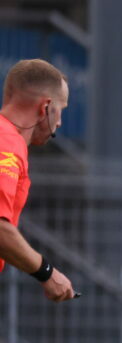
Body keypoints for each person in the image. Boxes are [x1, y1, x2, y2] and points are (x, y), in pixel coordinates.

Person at [0, 59, 75, 301]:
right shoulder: (7, 143)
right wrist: (47, 272)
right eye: (60, 110)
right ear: (46, 108)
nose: (60, 122)